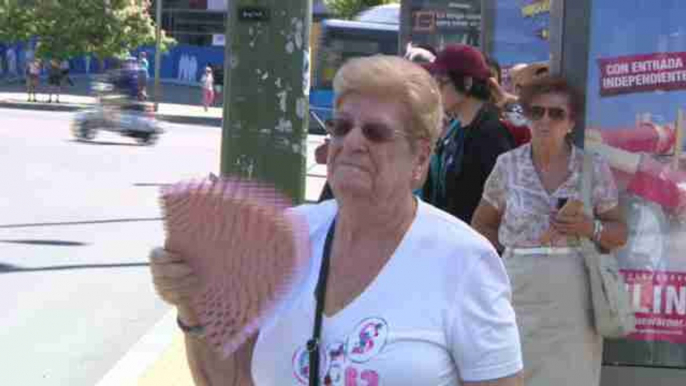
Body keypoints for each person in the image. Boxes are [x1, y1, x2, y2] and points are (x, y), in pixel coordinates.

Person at [149, 55, 523, 386]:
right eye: (341, 127)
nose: (352, 142)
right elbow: (231, 381)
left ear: (420, 158)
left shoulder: (465, 260)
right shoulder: (283, 236)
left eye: (375, 132)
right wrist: (191, 306)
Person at [471, 75, 628, 386]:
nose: (545, 120)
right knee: (513, 371)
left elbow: (619, 232)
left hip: (573, 293)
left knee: (571, 374)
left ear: (571, 122)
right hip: (517, 288)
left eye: (556, 114)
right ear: (527, 116)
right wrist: (506, 262)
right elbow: (481, 224)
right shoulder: (508, 165)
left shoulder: (592, 168)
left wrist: (590, 227)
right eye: (537, 111)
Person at [421, 44, 515, 224]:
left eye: (441, 82)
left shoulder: (491, 134)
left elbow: (502, 202)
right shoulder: (455, 130)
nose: (435, 90)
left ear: (467, 83)